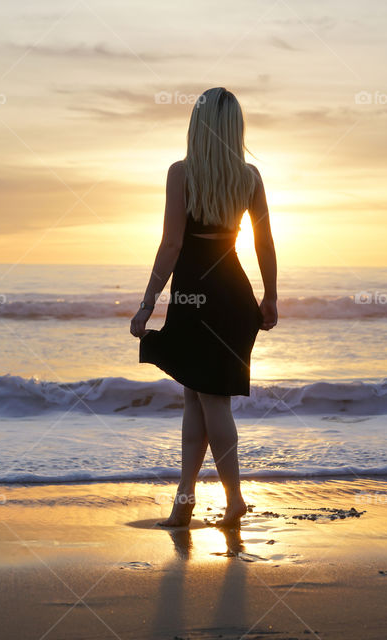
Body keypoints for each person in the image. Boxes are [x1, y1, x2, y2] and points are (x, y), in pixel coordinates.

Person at [129, 87, 278, 530]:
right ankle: (185, 501)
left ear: (197, 125)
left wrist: (146, 304)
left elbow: (173, 244)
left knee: (212, 403)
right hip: (232, 293)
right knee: (196, 399)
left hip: (195, 295)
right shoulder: (249, 177)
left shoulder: (181, 173)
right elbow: (264, 242)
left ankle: (234, 502)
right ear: (235, 127)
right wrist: (269, 296)